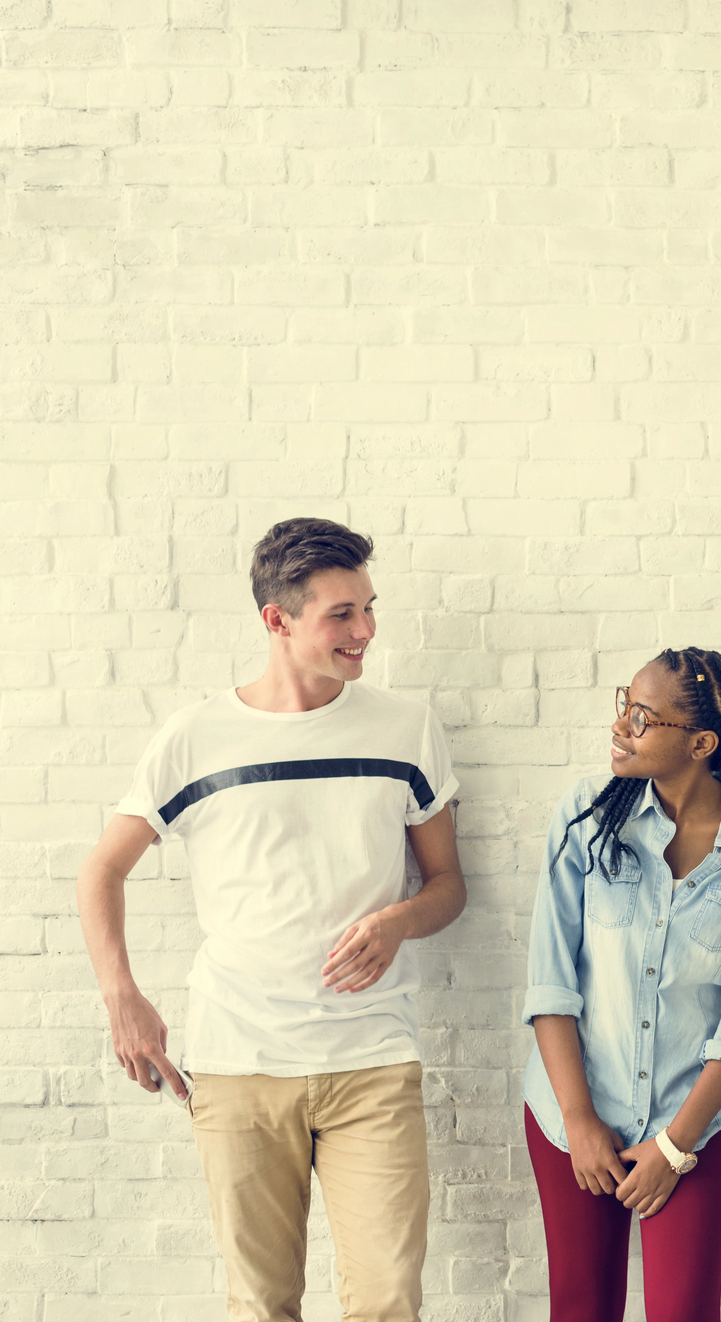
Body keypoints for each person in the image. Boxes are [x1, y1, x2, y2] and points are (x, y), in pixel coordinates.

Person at [78, 517, 465, 1322]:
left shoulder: (406, 727)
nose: (365, 631)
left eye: (368, 607)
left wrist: (397, 920)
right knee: (260, 1305)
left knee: (390, 1300)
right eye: (341, 614)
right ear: (276, 620)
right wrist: (123, 997)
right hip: (239, 1061)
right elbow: (102, 869)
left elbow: (447, 884)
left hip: (373, 1062)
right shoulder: (196, 738)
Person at [523, 647, 721, 1322]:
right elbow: (551, 983)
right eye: (624, 704)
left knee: (685, 1311)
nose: (621, 726)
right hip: (572, 1111)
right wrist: (580, 1121)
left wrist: (675, 1147)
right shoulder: (585, 815)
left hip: (692, 1125)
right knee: (582, 1308)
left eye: (642, 716)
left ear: (701, 743)